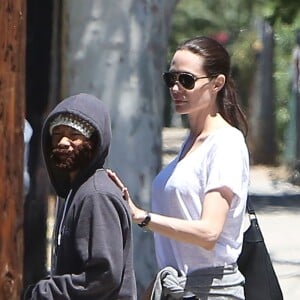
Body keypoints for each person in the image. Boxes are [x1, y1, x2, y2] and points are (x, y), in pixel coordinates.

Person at [108, 36, 249, 299]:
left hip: (211, 291)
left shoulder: (226, 143)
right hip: (178, 287)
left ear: (217, 83)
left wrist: (143, 217)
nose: (175, 88)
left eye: (186, 80)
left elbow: (209, 232)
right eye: (170, 79)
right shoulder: (190, 143)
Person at [23, 93, 137, 299]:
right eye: (57, 134)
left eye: (75, 135)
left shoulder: (96, 195)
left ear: (95, 142)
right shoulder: (76, 192)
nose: (64, 142)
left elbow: (103, 276)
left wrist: (42, 293)